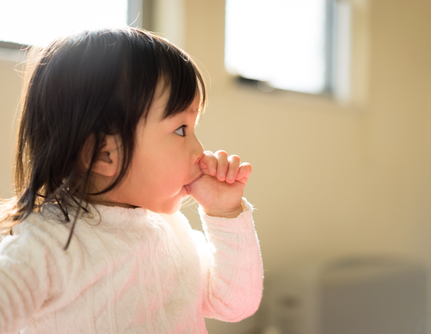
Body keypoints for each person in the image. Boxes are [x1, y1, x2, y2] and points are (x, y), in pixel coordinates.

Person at [0, 27, 263, 333]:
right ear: (104, 153)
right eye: (181, 129)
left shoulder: (171, 231)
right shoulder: (46, 244)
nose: (199, 150)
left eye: (194, 128)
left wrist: (225, 212)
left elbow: (236, 303)